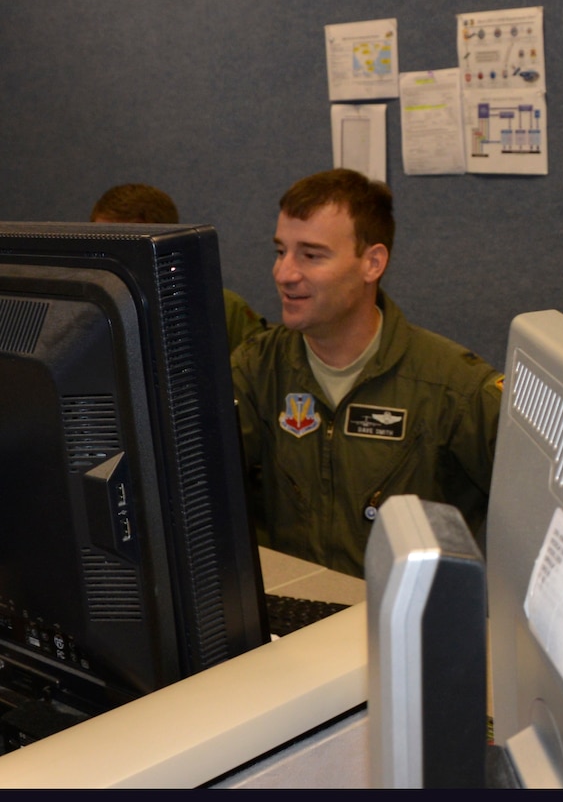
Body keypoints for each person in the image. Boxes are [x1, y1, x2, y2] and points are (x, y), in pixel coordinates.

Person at [230, 168, 503, 578]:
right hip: (288, 621)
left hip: (398, 625)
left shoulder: (453, 388)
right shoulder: (256, 370)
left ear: (372, 263)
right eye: (280, 251)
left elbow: (540, 511)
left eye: (311, 255)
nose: (284, 273)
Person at [91, 182, 266, 353]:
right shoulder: (87, 314)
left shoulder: (221, 308)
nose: (110, 263)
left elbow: (257, 374)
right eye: (101, 250)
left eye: (124, 251)